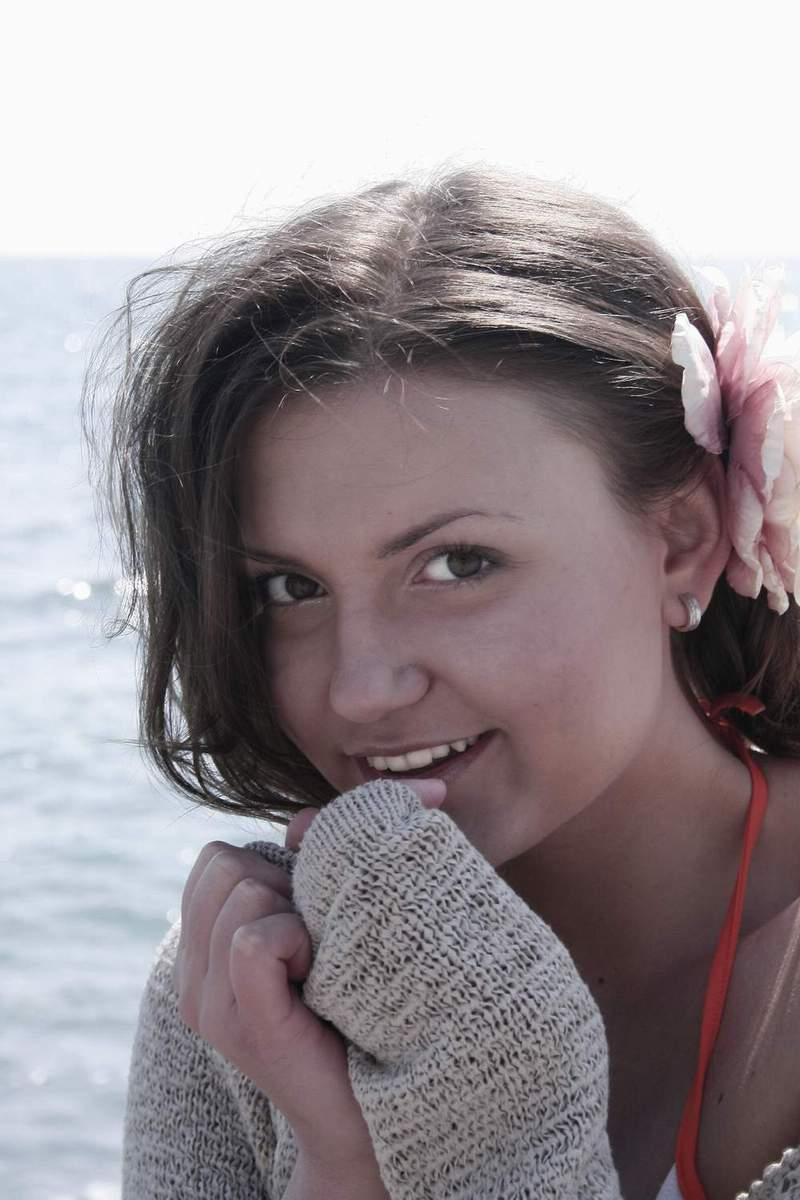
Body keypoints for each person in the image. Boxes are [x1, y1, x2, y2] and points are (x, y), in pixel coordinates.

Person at [84, 167, 800, 1200]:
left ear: (683, 541)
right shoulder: (246, 987)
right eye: (289, 587)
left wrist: (456, 1116)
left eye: (458, 564)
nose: (360, 688)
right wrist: (338, 1164)